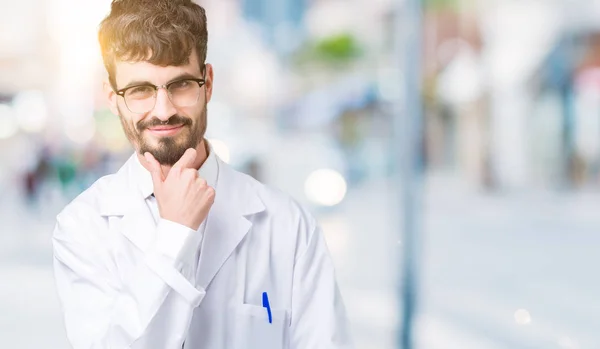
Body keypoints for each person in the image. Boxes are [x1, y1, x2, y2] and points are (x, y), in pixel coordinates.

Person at [51, 0, 352, 348]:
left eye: (180, 85)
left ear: (207, 83)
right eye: (140, 90)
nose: (163, 111)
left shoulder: (289, 225)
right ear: (113, 97)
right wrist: (176, 234)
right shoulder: (82, 227)